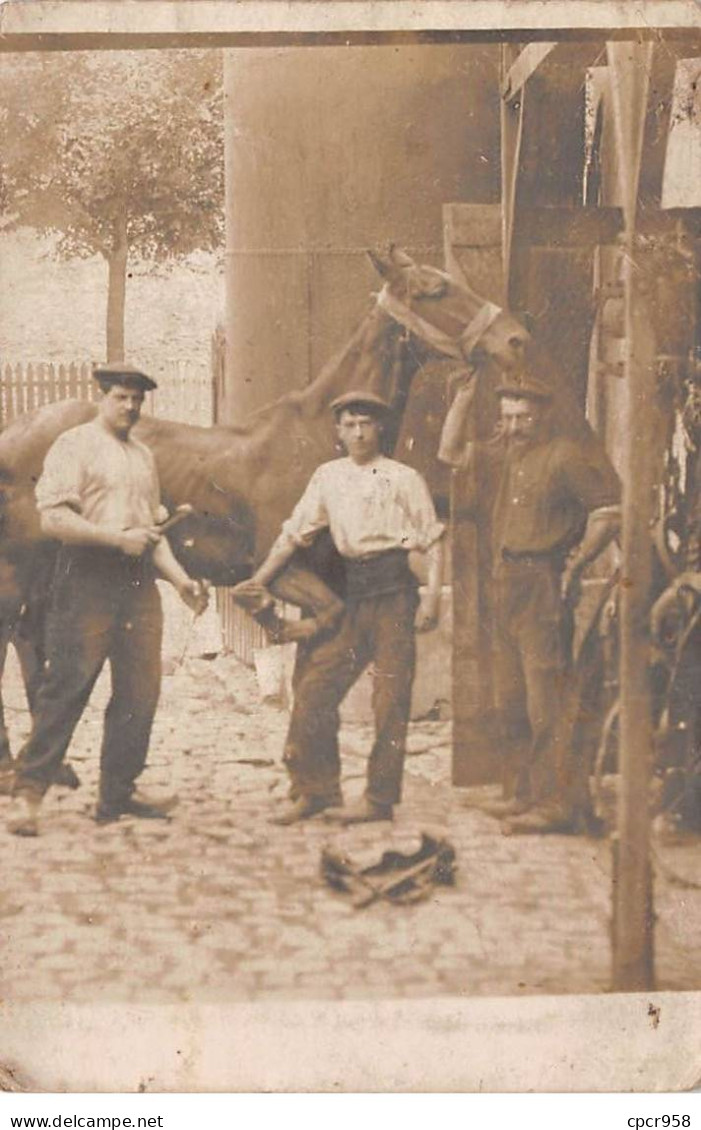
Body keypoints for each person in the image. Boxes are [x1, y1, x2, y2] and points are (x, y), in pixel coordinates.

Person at [7, 362, 207, 837]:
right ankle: (28, 795)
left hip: (138, 584)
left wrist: (180, 581)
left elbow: (153, 533)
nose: (131, 407)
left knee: (141, 691)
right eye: (122, 397)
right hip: (86, 577)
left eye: (138, 399)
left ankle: (117, 793)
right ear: (102, 396)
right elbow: (53, 520)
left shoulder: (143, 455)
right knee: (68, 686)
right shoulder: (74, 445)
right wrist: (115, 540)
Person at [251, 390, 445, 826]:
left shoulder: (403, 477)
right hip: (352, 593)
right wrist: (259, 580)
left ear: (380, 429)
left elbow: (433, 540)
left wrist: (431, 597)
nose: (358, 433)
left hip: (395, 593)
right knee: (315, 691)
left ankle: (379, 798)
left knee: (389, 701)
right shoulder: (328, 477)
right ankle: (318, 790)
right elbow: (293, 534)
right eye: (350, 425)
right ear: (338, 432)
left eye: (366, 424)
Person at [439, 374, 621, 834]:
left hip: (543, 583)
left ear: (541, 417)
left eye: (523, 417)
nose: (515, 425)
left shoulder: (564, 457)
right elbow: (450, 454)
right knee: (510, 697)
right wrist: (462, 399)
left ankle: (555, 803)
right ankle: (521, 794)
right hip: (505, 581)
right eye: (507, 417)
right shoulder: (504, 456)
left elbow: (609, 512)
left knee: (546, 701)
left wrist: (578, 564)